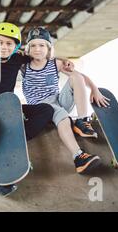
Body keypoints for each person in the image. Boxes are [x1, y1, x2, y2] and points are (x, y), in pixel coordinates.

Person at [0, 22, 74, 196]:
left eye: (9, 44)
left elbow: (41, 55)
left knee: (46, 110)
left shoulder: (18, 58)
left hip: (7, 106)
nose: (4, 47)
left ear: (16, 47)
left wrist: (65, 62)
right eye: (0, 43)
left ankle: (14, 139)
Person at [21, 26, 109, 175]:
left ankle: (82, 120)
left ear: (48, 48)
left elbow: (81, 77)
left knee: (76, 77)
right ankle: (78, 157)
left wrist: (94, 89)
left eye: (42, 45)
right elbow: (7, 57)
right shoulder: (23, 66)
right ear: (28, 48)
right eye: (33, 45)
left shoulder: (55, 63)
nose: (37, 49)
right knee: (61, 115)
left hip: (59, 101)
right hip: (41, 107)